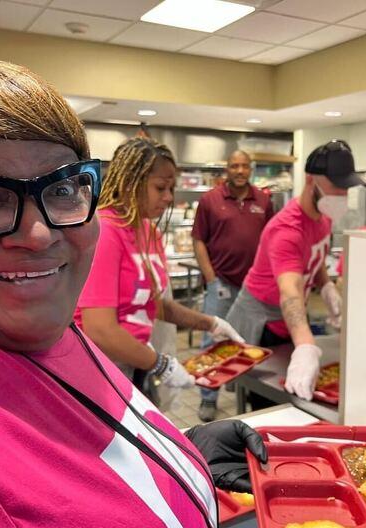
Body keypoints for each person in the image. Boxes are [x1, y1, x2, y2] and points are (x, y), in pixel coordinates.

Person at [0, 58, 266, 528]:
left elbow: (69, 450)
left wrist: (175, 453)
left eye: (64, 187)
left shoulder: (31, 325)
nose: (39, 233)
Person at [74, 137, 244, 398]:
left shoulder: (148, 230)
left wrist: (211, 323)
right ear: (131, 182)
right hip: (98, 370)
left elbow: (154, 303)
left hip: (134, 359)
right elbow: (100, 329)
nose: (168, 198)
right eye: (160, 188)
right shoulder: (106, 230)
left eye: (172, 189)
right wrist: (160, 364)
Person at [226, 140, 364, 401]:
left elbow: (315, 255)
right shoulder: (287, 230)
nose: (341, 195)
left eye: (346, 188)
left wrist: (326, 287)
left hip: (288, 316)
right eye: (336, 187)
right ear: (311, 180)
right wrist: (305, 346)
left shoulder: (323, 216)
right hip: (261, 320)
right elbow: (289, 292)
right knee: (267, 396)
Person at [192, 149, 273, 421]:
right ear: (226, 169)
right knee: (211, 340)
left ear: (251, 169)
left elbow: (271, 240)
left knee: (248, 340)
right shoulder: (210, 200)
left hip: (254, 287)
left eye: (244, 166)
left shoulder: (263, 199)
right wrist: (212, 279)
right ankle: (208, 397)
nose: (240, 170)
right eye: (234, 165)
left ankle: (242, 389)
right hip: (222, 284)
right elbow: (199, 240)